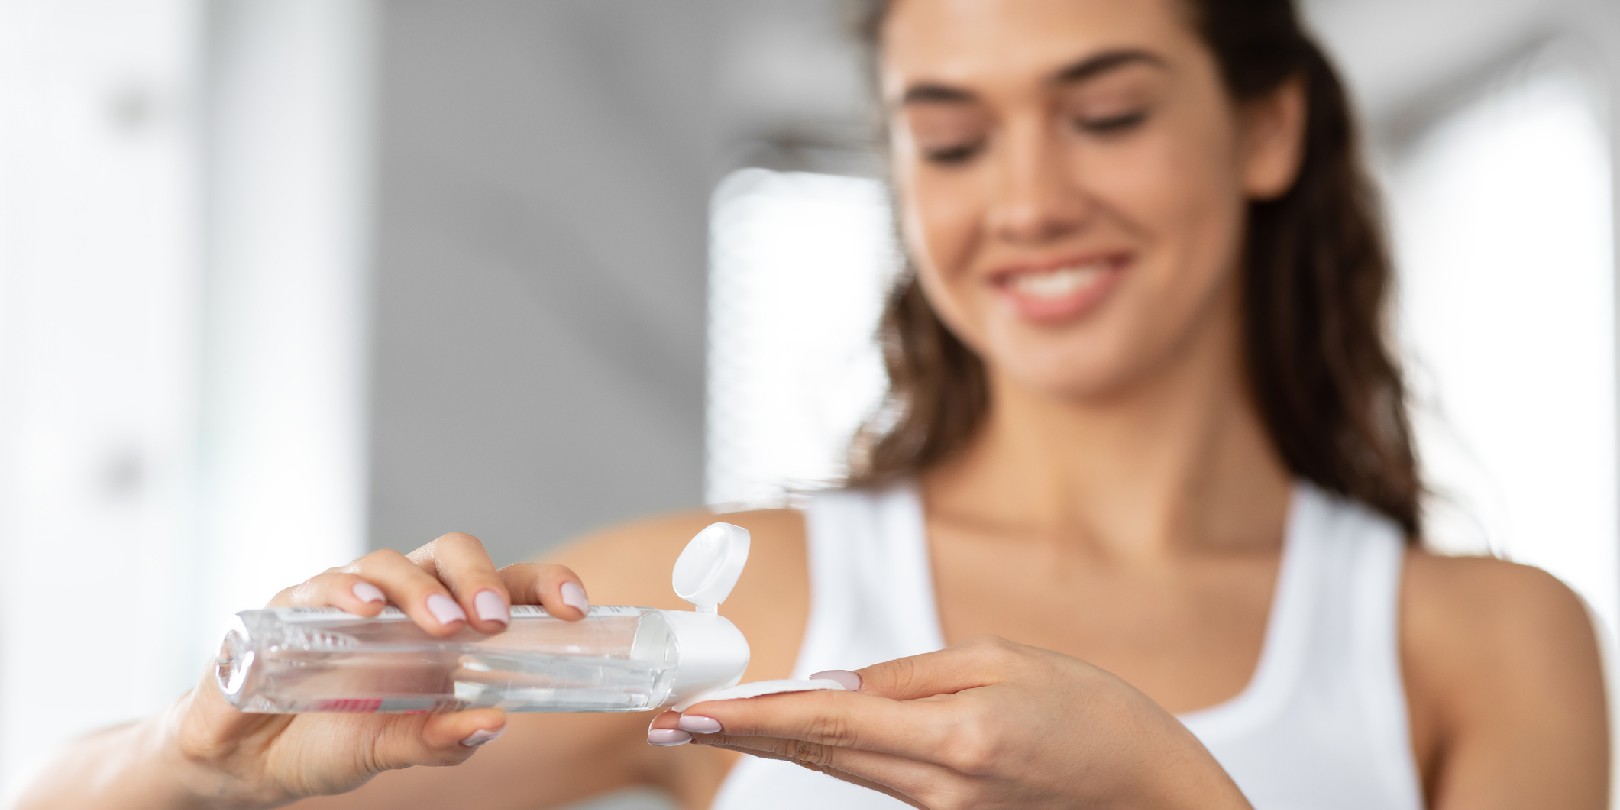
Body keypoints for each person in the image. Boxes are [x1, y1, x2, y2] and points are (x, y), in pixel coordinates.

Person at [16, 0, 1609, 807]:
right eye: (953, 136)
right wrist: (201, 758)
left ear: (1268, 131)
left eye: (1107, 110)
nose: (1031, 197)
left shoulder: (1482, 641)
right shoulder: (748, 591)